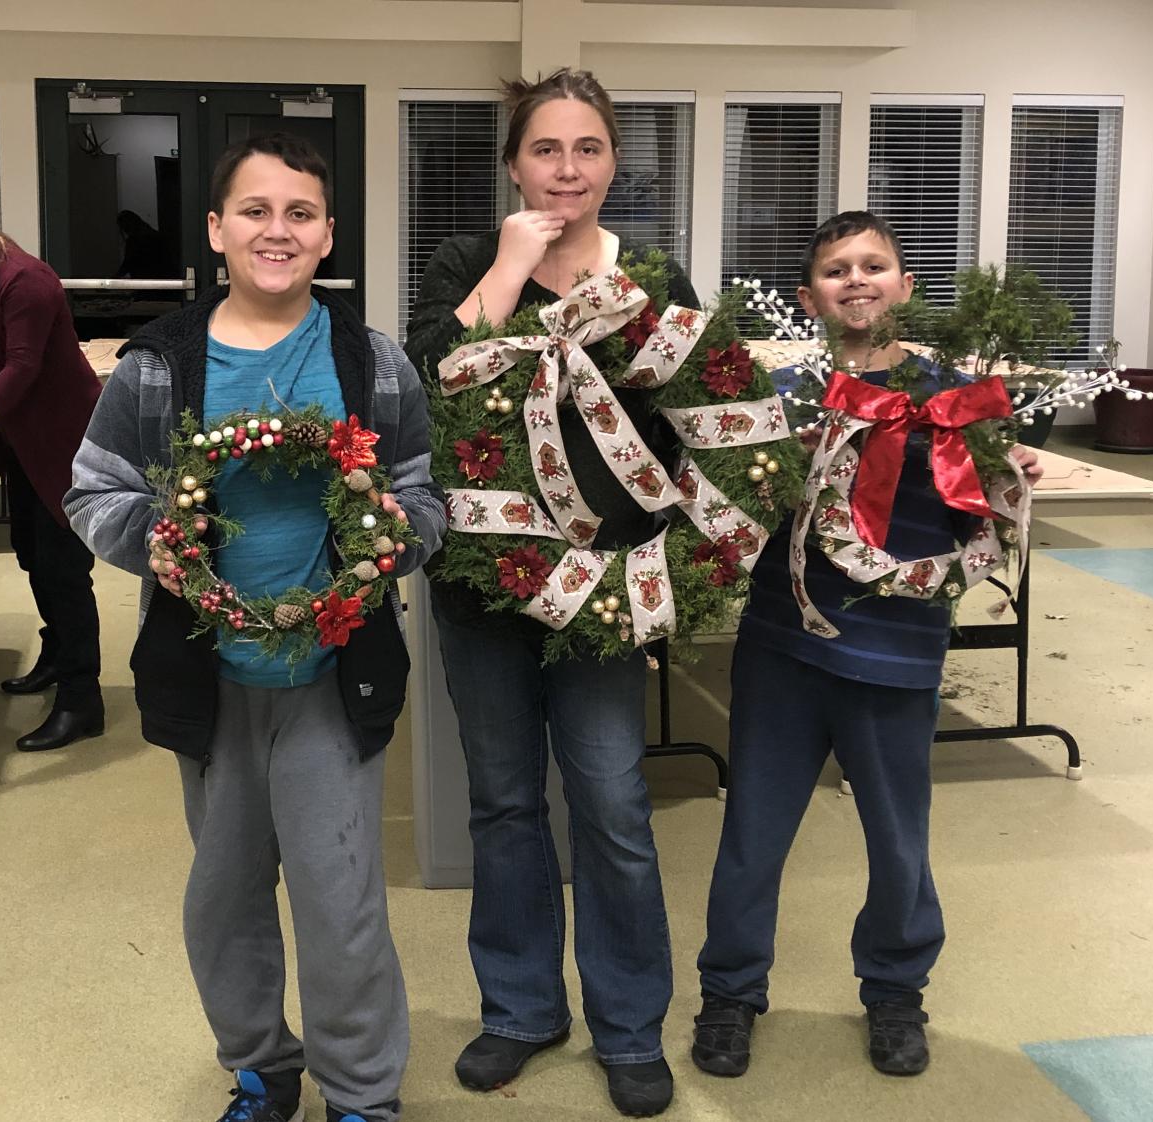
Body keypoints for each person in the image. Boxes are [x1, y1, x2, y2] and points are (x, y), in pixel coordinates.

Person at [65, 133, 446, 1122]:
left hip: (334, 671)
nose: (278, 231)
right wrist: (153, 537)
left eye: (301, 213)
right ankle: (259, 1069)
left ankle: (361, 1093)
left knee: (341, 901)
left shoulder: (371, 360)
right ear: (216, 230)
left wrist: (399, 536)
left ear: (327, 235)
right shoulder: (159, 366)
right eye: (256, 211)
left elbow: (421, 488)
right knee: (223, 898)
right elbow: (92, 487)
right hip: (208, 674)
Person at [404, 69, 698, 1118]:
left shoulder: (653, 280)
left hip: (604, 590)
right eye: (545, 149)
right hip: (481, 590)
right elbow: (432, 379)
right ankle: (522, 1009)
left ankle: (628, 1025)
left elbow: (697, 418)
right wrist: (513, 261)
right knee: (505, 801)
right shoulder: (462, 264)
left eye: (587, 149)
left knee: (615, 802)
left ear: (614, 161)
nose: (566, 169)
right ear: (514, 161)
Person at [691, 212, 1043, 1080]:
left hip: (897, 653)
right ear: (811, 296)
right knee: (754, 831)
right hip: (783, 644)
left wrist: (1010, 471)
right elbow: (732, 498)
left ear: (903, 285)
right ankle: (730, 991)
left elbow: (980, 505)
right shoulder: (788, 396)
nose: (856, 279)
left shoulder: (955, 396)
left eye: (873, 265)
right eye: (837, 269)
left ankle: (894, 989)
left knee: (898, 837)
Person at [0, 223, 104, 751]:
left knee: (63, 569)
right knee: (31, 554)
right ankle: (57, 655)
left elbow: (20, 369)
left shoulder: (26, 282)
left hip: (62, 441)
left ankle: (82, 700)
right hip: (20, 438)